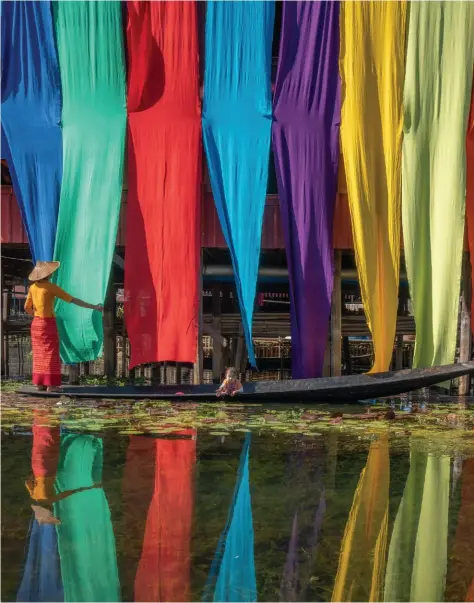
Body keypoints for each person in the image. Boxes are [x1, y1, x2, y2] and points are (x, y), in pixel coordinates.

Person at [24, 260, 103, 392]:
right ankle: (52, 385)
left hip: (36, 324)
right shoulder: (51, 287)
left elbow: (26, 307)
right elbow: (72, 299)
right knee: (51, 353)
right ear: (47, 274)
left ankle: (39, 384)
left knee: (39, 354)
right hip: (47, 323)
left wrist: (36, 316)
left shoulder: (33, 288)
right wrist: (93, 306)